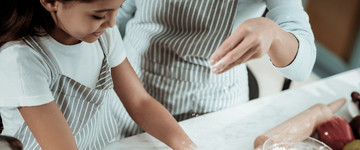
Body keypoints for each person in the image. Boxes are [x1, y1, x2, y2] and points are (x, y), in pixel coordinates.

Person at [0, 0, 222, 150]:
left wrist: (189, 149)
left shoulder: (103, 34)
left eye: (117, 9)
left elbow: (140, 102)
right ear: (50, 2)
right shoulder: (23, 59)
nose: (112, 22)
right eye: (99, 15)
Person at [116, 0, 316, 122]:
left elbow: (303, 67)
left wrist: (275, 34)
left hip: (209, 107)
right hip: (128, 86)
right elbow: (119, 8)